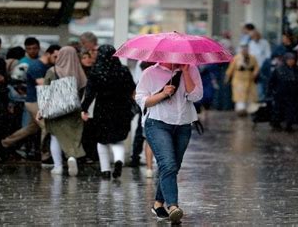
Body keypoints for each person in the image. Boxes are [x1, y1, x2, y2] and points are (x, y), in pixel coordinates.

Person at [135, 61, 203, 223]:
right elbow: (141, 100)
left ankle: (158, 204)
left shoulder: (191, 69)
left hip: (183, 125)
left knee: (173, 167)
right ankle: (173, 206)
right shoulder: (150, 72)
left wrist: (186, 72)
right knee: (168, 164)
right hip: (157, 123)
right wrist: (163, 94)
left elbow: (196, 96)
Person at [0, 45, 60, 162]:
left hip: (37, 101)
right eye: (55, 56)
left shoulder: (45, 66)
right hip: (34, 101)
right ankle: (45, 155)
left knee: (31, 128)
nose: (57, 59)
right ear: (48, 54)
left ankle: (4, 143)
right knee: (47, 127)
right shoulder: (36, 66)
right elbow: (42, 84)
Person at [81, 45, 136, 179]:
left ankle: (105, 170)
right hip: (121, 109)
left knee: (101, 140)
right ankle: (118, 160)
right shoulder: (123, 70)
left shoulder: (96, 71)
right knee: (118, 139)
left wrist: (84, 108)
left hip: (103, 109)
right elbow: (131, 89)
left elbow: (90, 93)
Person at [41, 46, 87, 176]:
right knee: (73, 136)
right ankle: (72, 157)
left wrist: (42, 109)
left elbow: (46, 91)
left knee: (55, 136)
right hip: (74, 109)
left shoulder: (52, 71)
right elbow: (83, 91)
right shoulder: (79, 72)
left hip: (56, 109)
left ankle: (58, 166)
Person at [268, 53, 298, 132]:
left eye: (293, 60)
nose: (291, 61)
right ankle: (276, 124)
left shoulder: (297, 69)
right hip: (280, 94)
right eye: (289, 60)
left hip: (293, 94)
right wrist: (272, 92)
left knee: (291, 110)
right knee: (278, 110)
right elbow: (272, 82)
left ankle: (289, 125)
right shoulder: (279, 69)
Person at [225, 44, 259, 116]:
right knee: (240, 97)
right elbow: (230, 69)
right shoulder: (236, 58)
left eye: (246, 49)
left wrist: (255, 74)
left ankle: (249, 110)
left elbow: (256, 67)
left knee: (250, 96)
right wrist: (227, 77)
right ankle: (240, 110)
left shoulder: (252, 58)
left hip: (249, 80)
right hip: (239, 80)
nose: (245, 51)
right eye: (243, 49)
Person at [248, 30, 271, 102]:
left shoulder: (264, 43)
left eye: (255, 36)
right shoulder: (251, 43)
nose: (254, 38)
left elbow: (268, 55)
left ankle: (261, 100)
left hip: (262, 67)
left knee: (261, 84)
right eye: (252, 37)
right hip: (253, 67)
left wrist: (263, 66)